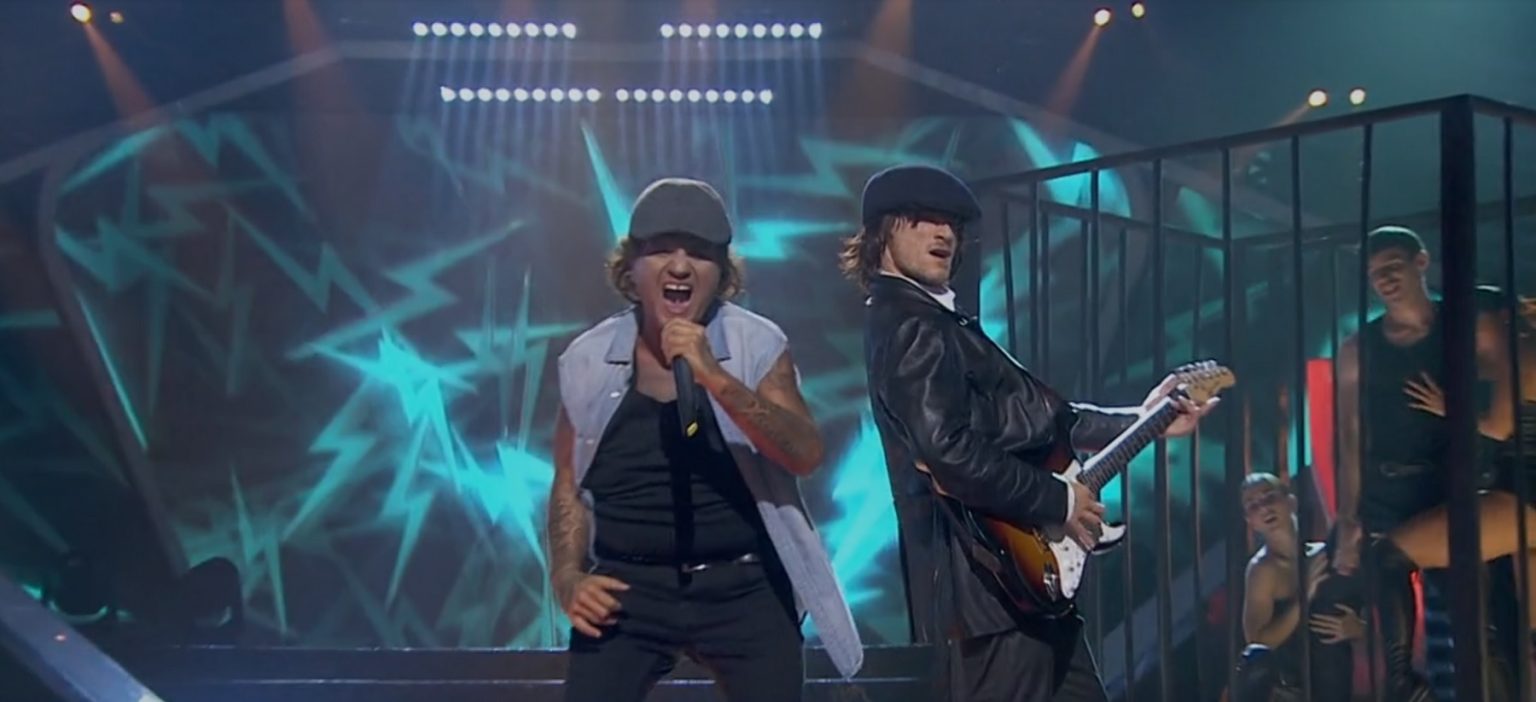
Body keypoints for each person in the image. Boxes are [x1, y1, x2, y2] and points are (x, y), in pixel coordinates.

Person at [846, 164, 1215, 702]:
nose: (944, 233)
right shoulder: (911, 325)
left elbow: (1047, 420)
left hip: (1022, 586)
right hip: (987, 592)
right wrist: (1057, 500)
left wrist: (1145, 419)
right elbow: (946, 452)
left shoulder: (942, 322)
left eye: (952, 223)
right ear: (882, 232)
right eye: (923, 218)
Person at [548, 177, 862, 702]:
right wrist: (567, 576)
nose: (679, 266)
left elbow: (805, 453)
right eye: (662, 250)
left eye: (698, 253)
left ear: (722, 272)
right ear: (631, 267)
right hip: (626, 589)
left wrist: (715, 377)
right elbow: (568, 483)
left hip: (743, 584)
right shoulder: (586, 360)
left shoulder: (756, 344)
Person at [1332, 227, 1524, 700]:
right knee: (1396, 588)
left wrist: (1453, 408)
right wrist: (1348, 515)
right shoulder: (1359, 349)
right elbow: (1350, 436)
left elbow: (1501, 420)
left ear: (1421, 262)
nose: (1384, 279)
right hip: (1391, 491)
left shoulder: (1465, 326)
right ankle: (1405, 684)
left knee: (1476, 622)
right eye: (1375, 273)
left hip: (1457, 487)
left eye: (1393, 266)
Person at [1235, 473, 1362, 702]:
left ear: (1290, 502)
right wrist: (1303, 597)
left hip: (1336, 682)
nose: (1264, 508)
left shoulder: (1324, 555)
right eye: (1253, 505)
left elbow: (1369, 613)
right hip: (1291, 690)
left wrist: (1358, 628)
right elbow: (1258, 644)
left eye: (1269, 497)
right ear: (1249, 521)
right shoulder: (1261, 570)